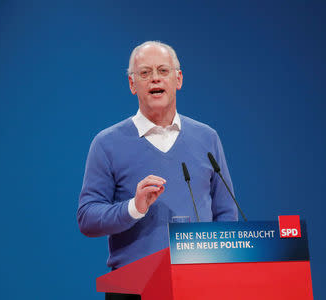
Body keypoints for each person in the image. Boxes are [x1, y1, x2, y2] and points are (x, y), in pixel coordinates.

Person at [77, 41, 238, 300]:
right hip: (133, 290)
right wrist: (134, 208)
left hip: (200, 285)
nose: (155, 79)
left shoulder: (207, 138)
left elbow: (226, 214)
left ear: (178, 79)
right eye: (145, 73)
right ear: (132, 84)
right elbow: (87, 218)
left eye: (163, 71)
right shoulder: (106, 143)